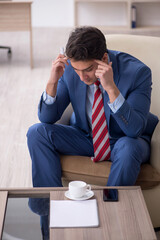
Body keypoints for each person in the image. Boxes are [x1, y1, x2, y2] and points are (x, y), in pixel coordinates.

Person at [27, 26, 158, 239]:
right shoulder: (71, 68)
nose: (81, 77)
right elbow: (47, 118)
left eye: (87, 70)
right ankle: (50, 213)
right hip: (87, 136)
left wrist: (111, 88)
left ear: (103, 59)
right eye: (76, 70)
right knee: (37, 133)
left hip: (124, 140)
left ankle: (112, 219)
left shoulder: (138, 73)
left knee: (129, 147)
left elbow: (134, 129)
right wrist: (52, 80)